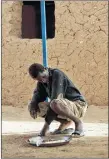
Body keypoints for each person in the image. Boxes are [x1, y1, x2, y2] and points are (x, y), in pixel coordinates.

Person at [28, 63, 88, 137]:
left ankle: (78, 122)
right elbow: (38, 95)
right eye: (40, 80)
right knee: (36, 106)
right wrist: (33, 104)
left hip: (78, 105)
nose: (43, 81)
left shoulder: (57, 74)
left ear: (45, 69)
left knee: (54, 103)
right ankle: (65, 122)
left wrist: (45, 127)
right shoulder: (42, 82)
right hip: (63, 105)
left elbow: (55, 99)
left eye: (44, 77)